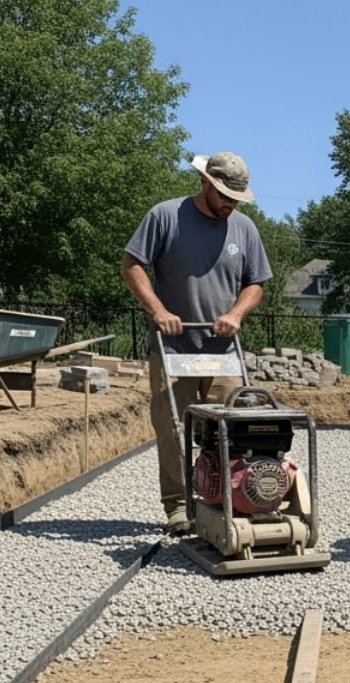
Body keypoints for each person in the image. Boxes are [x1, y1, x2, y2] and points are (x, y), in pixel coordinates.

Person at [122, 151, 273, 534]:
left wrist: (236, 314)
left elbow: (255, 284)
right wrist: (158, 311)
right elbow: (132, 265)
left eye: (236, 198)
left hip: (223, 353)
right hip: (173, 349)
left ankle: (230, 498)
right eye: (223, 194)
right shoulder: (165, 216)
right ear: (204, 182)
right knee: (174, 429)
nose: (229, 204)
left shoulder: (244, 229)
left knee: (233, 428)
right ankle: (178, 506)